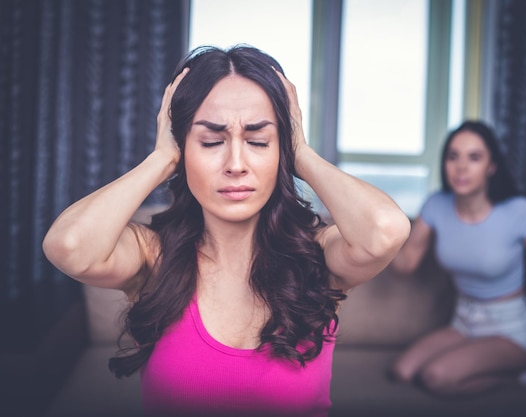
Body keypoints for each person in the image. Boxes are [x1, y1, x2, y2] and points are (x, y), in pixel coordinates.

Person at [42, 45, 410, 417]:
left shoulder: (317, 256)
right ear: (183, 147)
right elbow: (68, 245)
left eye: (258, 141)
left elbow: (386, 230)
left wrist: (301, 152)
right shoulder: (152, 257)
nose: (236, 164)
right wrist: (160, 158)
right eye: (212, 141)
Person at [388, 120, 526, 397]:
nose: (461, 167)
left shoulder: (518, 211)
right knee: (401, 372)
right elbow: (406, 265)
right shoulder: (436, 205)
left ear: (491, 167)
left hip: (511, 330)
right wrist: (382, 238)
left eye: (474, 157)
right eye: (453, 156)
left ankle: (519, 378)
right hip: (463, 322)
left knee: (435, 377)